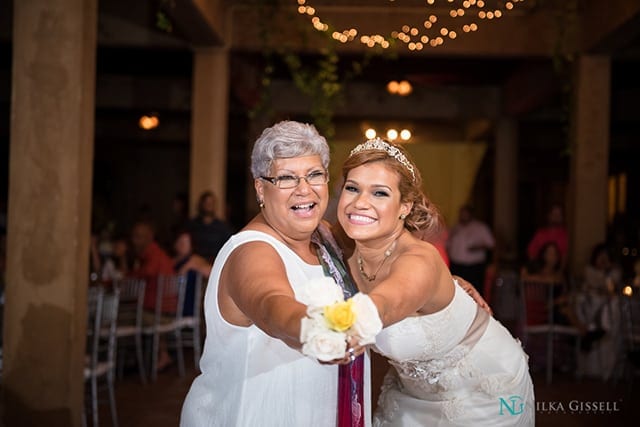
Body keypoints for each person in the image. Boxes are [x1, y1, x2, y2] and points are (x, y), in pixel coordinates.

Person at [180, 121, 368, 427]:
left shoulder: (324, 235)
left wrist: (447, 284)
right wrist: (314, 330)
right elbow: (271, 303)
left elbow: (376, 265)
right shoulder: (252, 250)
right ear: (260, 188)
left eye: (314, 174)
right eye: (286, 178)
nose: (304, 189)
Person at [336, 138, 534, 426]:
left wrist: (325, 327)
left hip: (482, 391)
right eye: (352, 188)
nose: (359, 203)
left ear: (405, 206)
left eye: (379, 193)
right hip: (412, 394)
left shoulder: (419, 262)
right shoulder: (342, 242)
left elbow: (386, 303)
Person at [124, 220, 176, 370]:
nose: (134, 241)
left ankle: (127, 360)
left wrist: (129, 275)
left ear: (149, 237)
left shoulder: (153, 255)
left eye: (138, 237)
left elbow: (148, 272)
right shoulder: (157, 254)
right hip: (166, 311)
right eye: (133, 236)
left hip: (158, 314)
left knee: (117, 317)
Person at [447, 204, 495, 296]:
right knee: (458, 291)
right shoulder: (456, 227)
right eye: (461, 214)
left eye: (465, 214)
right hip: (457, 266)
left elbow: (491, 244)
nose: (463, 216)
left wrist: (477, 247)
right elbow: (449, 244)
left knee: (474, 291)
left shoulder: (481, 228)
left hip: (474, 267)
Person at [173, 229, 212, 316]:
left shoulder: (194, 260)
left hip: (187, 304)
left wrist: (189, 266)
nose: (182, 245)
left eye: (185, 242)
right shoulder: (172, 261)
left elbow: (211, 273)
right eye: (180, 241)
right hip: (172, 301)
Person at [187, 191, 233, 263]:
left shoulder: (222, 227)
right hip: (195, 262)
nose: (209, 205)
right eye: (206, 203)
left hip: (216, 262)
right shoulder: (192, 225)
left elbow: (229, 246)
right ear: (201, 204)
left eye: (211, 203)